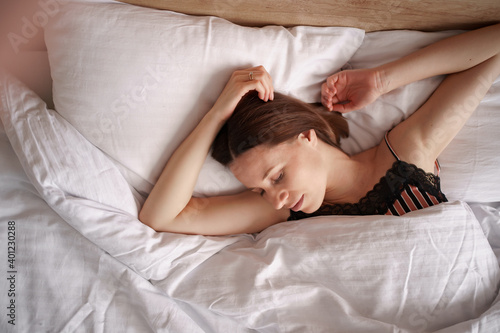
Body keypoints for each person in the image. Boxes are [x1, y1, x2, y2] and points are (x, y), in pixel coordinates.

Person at [139, 23, 500, 236]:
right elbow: (161, 217)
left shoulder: (404, 155)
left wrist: (382, 79)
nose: (275, 196)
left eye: (277, 176)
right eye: (260, 190)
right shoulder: (283, 210)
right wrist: (218, 112)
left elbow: (492, 52)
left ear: (307, 136)